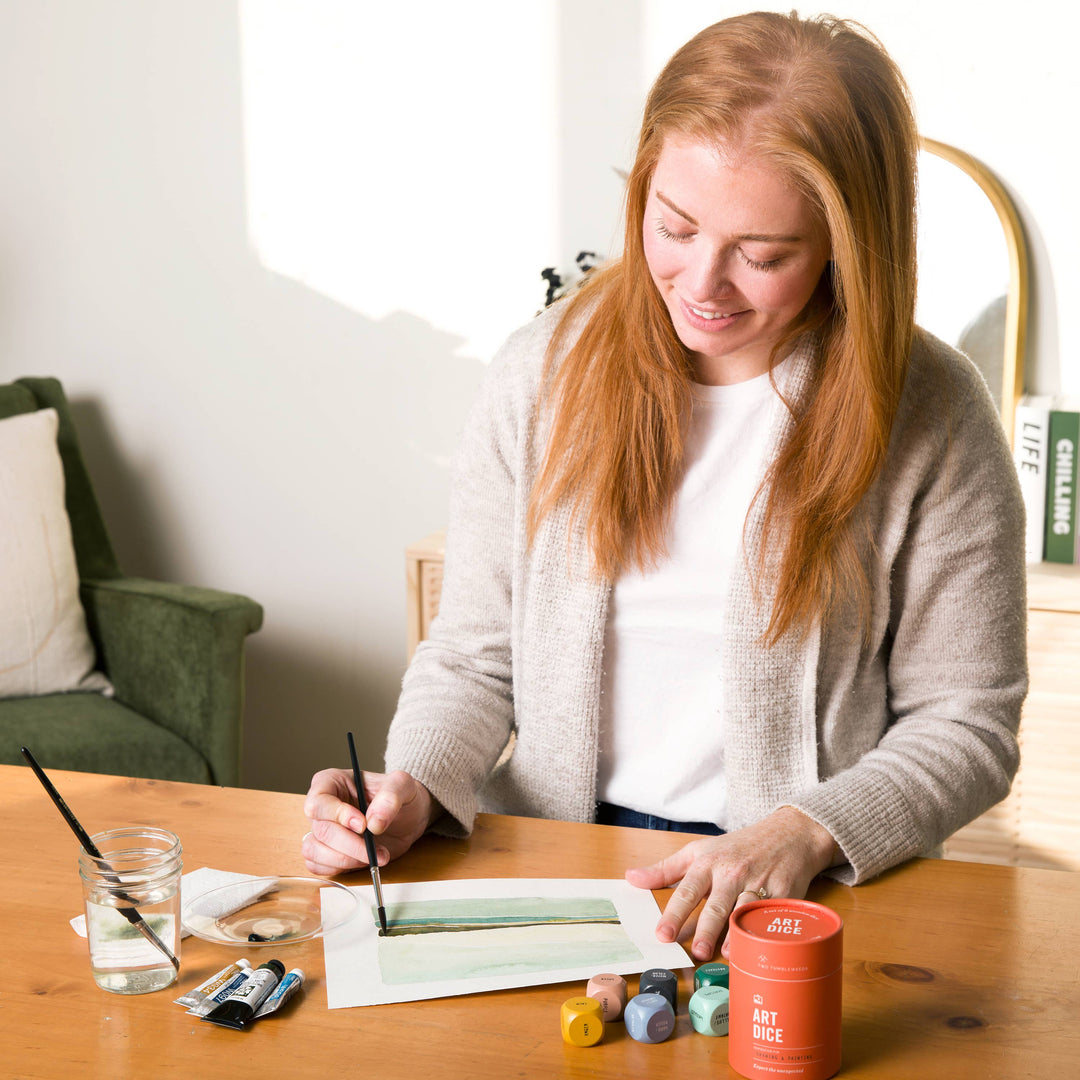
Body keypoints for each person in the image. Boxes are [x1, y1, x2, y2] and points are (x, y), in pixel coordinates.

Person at [302, 12, 1027, 962]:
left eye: (764, 255)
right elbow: (475, 658)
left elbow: (968, 722)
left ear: (850, 244)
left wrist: (803, 832)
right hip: (559, 866)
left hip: (802, 895)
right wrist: (416, 787)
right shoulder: (541, 371)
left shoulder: (932, 414)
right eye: (675, 227)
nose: (704, 284)